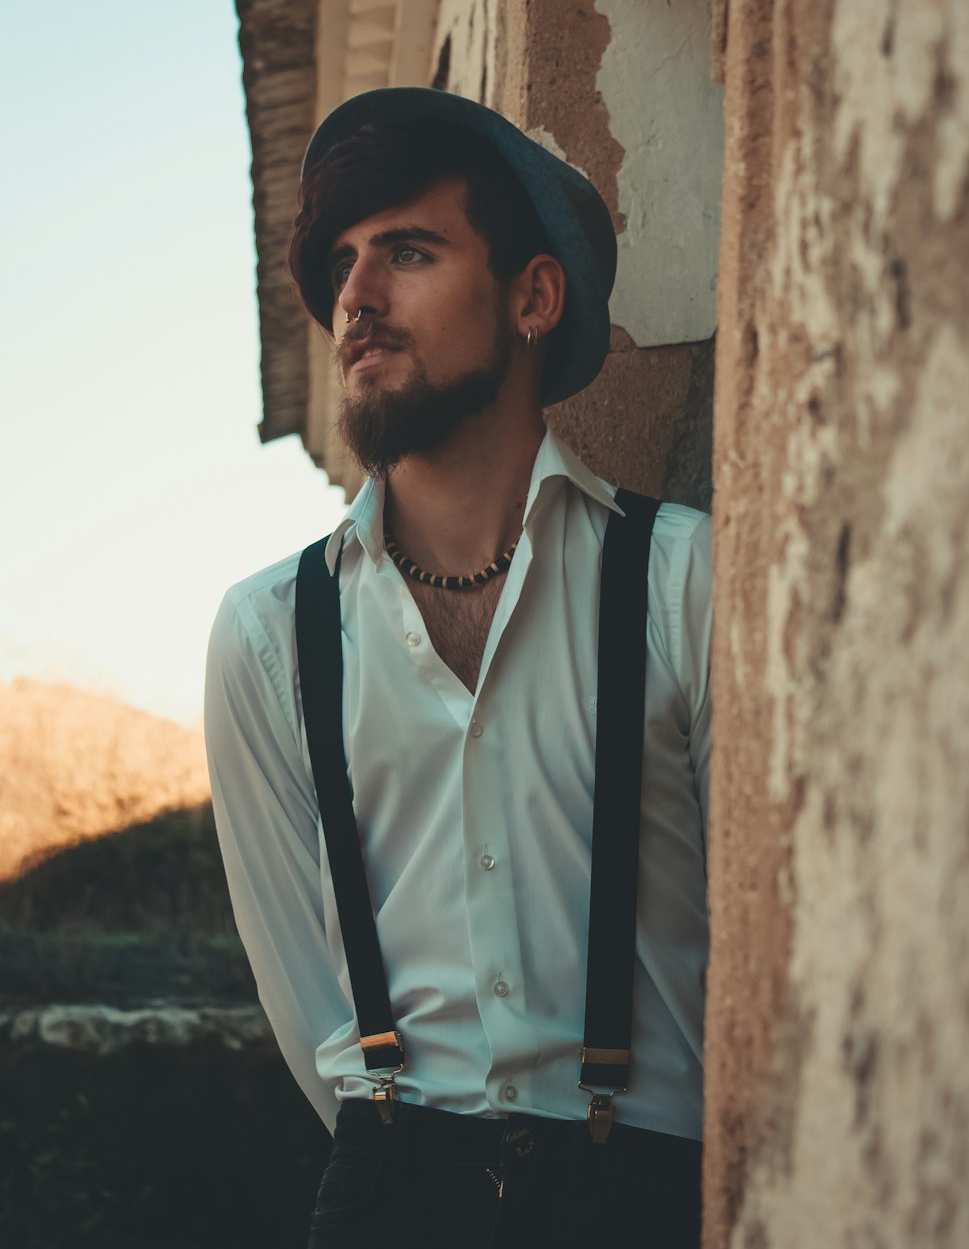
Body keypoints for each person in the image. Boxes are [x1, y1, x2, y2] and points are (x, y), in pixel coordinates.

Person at [204, 87, 712, 1248]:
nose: (356, 301)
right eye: (342, 264)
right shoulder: (270, 635)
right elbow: (306, 1005)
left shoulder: (686, 583)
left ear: (533, 296)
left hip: (648, 1197)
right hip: (389, 1192)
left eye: (409, 251)